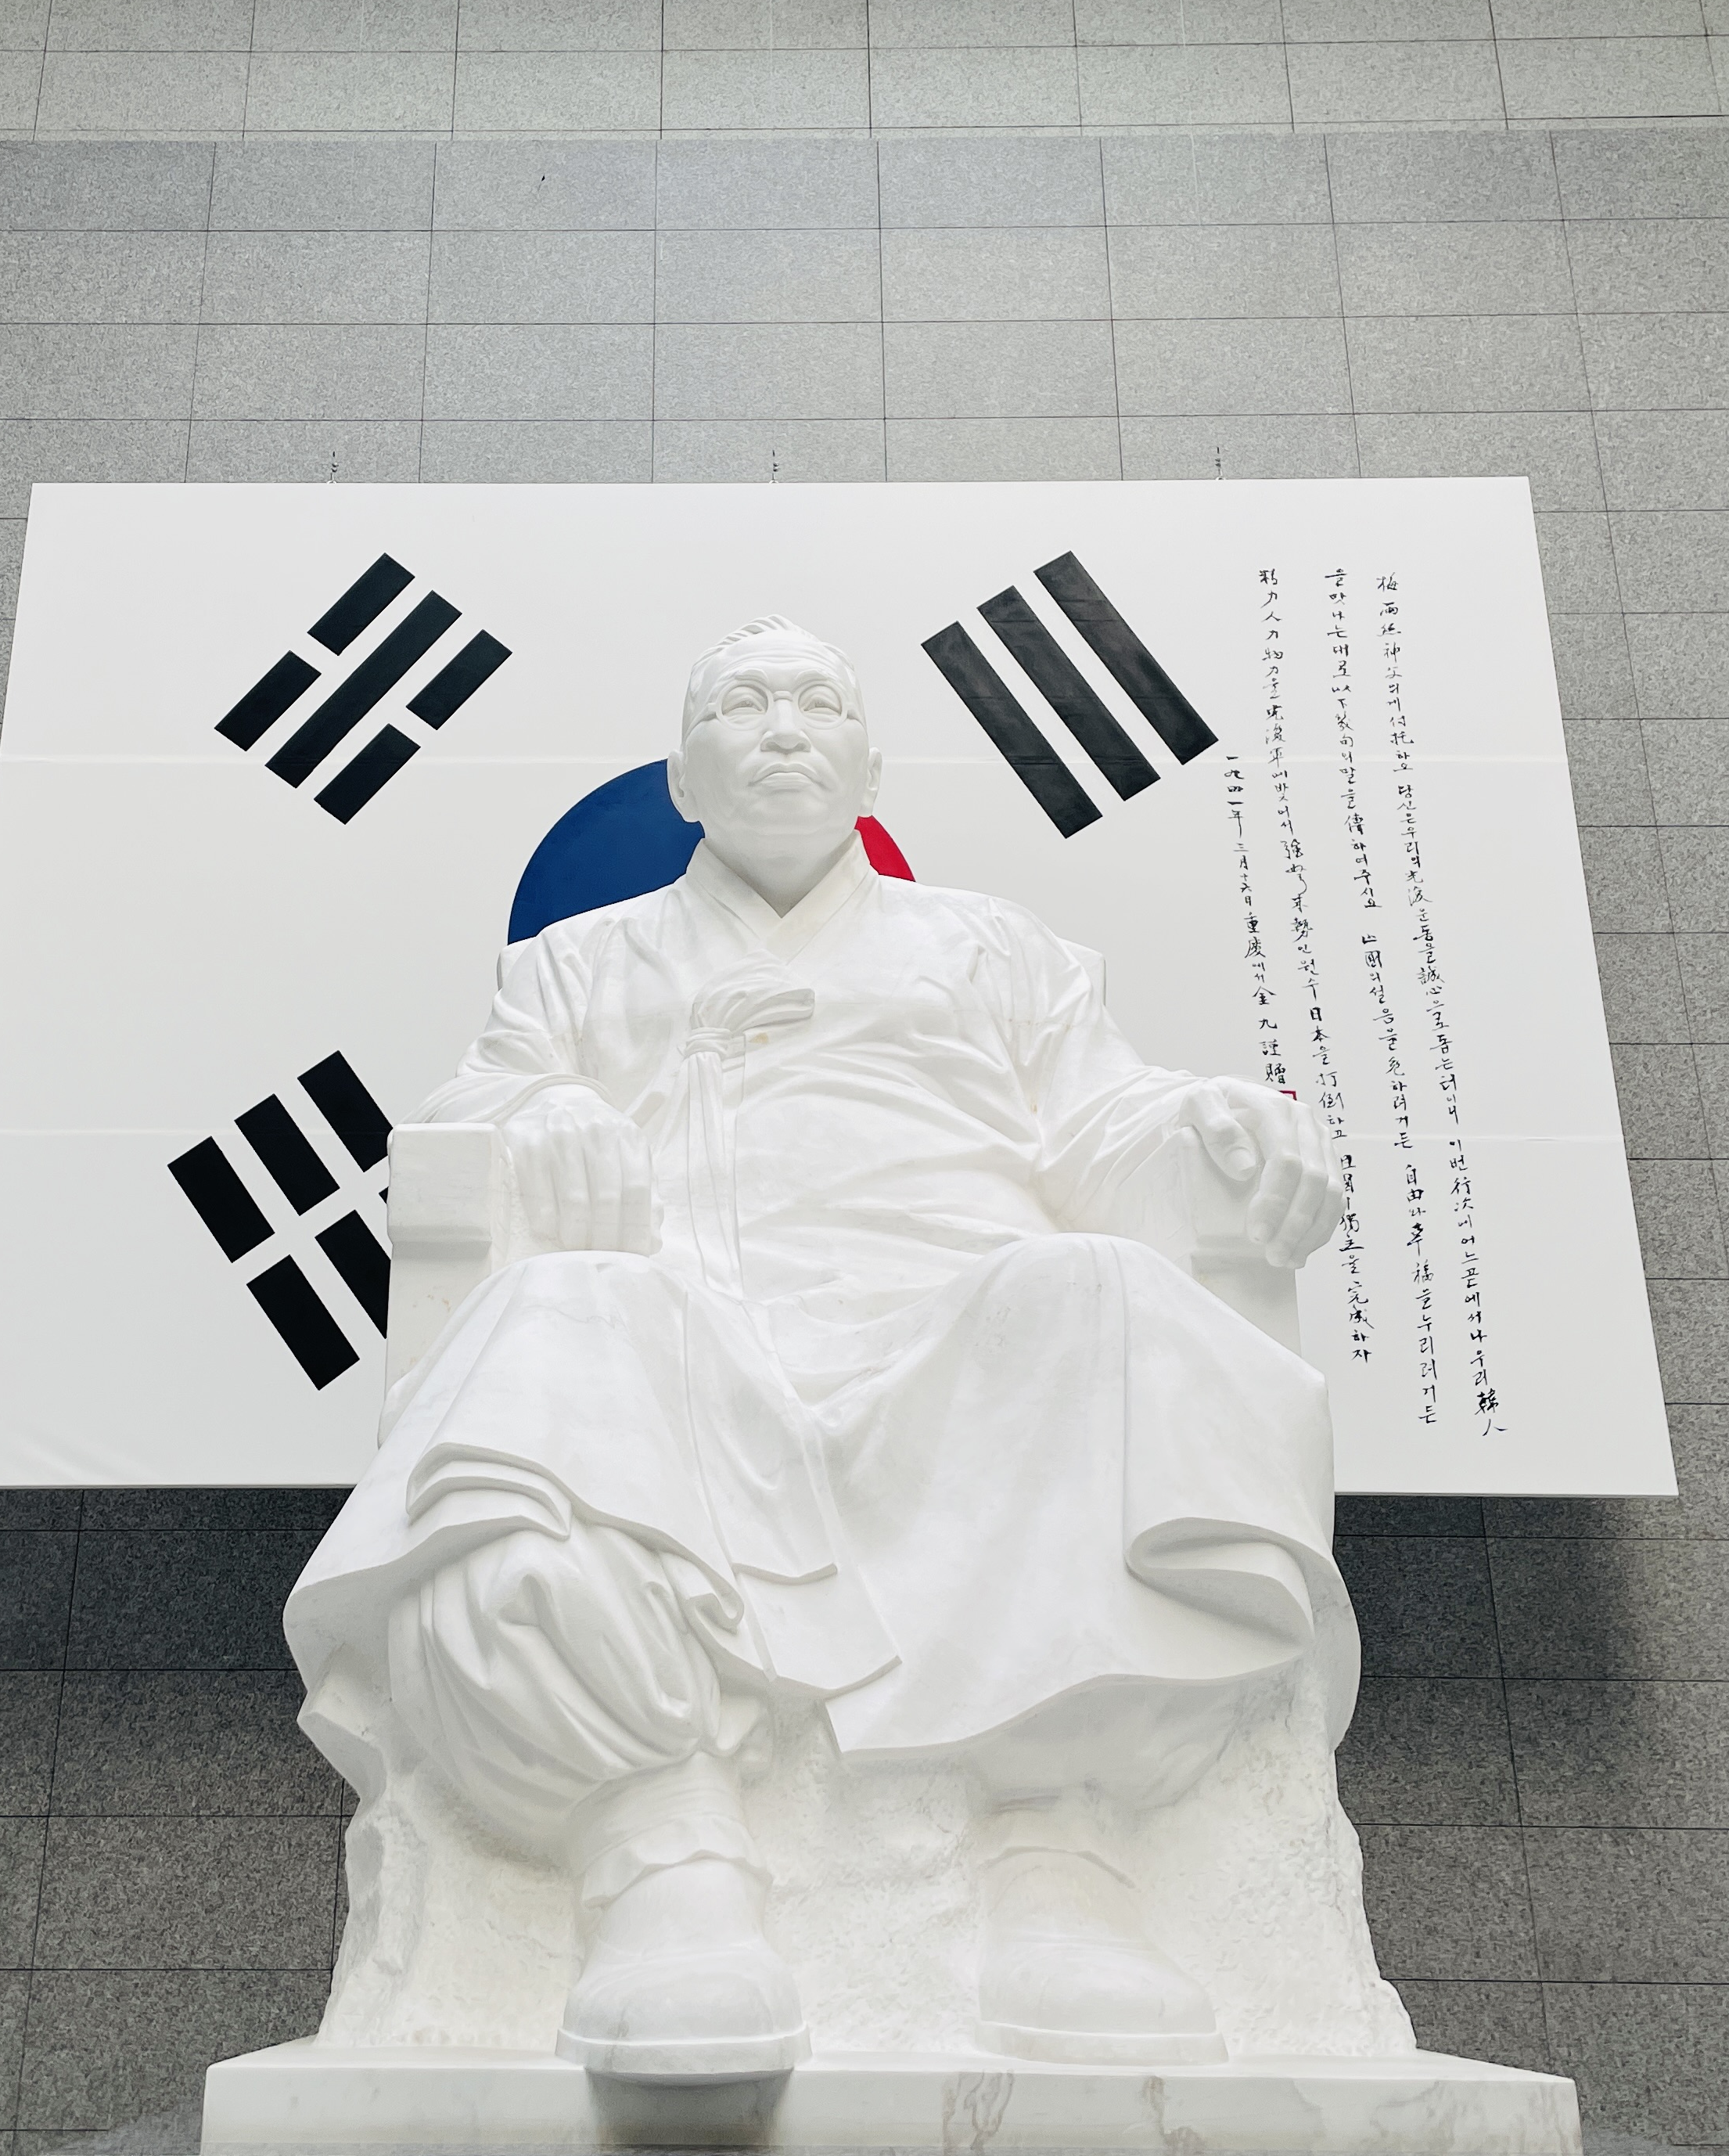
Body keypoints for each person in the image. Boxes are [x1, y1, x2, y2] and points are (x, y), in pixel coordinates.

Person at [284, 617, 1352, 2082]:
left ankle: (1055, 1852)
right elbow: (479, 1112)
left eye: (817, 703)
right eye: (741, 703)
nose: (782, 727)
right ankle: (662, 1858)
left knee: (1092, 1292)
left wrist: (1213, 1128)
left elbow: (1110, 1122)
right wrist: (546, 1119)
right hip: (682, 1337)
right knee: (549, 1331)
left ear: (869, 765)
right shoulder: (571, 970)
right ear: (681, 778)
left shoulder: (999, 951)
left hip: (957, 1326)